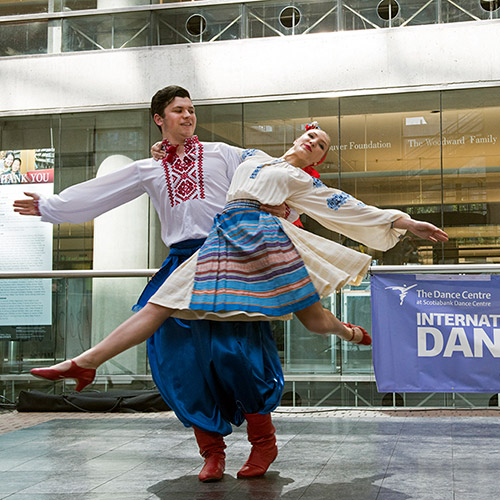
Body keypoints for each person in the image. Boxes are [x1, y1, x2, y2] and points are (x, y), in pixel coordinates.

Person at [23, 123, 448, 480]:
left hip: (262, 243)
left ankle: (343, 333)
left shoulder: (303, 181)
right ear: (297, 137)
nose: (312, 143)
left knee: (312, 320)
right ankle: (86, 361)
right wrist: (167, 145)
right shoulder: (248, 156)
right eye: (311, 135)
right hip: (220, 240)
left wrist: (406, 222)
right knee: (161, 304)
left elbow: (346, 207)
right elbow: (196, 151)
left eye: (320, 145)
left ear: (317, 158)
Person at [13, 85, 302, 483]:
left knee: (237, 353)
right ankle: (211, 452)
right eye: (179, 110)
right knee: (181, 359)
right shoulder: (149, 168)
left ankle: (263, 442)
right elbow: (104, 192)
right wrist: (50, 205)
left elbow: (270, 172)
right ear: (159, 119)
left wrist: (285, 202)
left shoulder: (223, 153)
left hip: (226, 258)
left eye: (191, 110)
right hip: (180, 265)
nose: (188, 116)